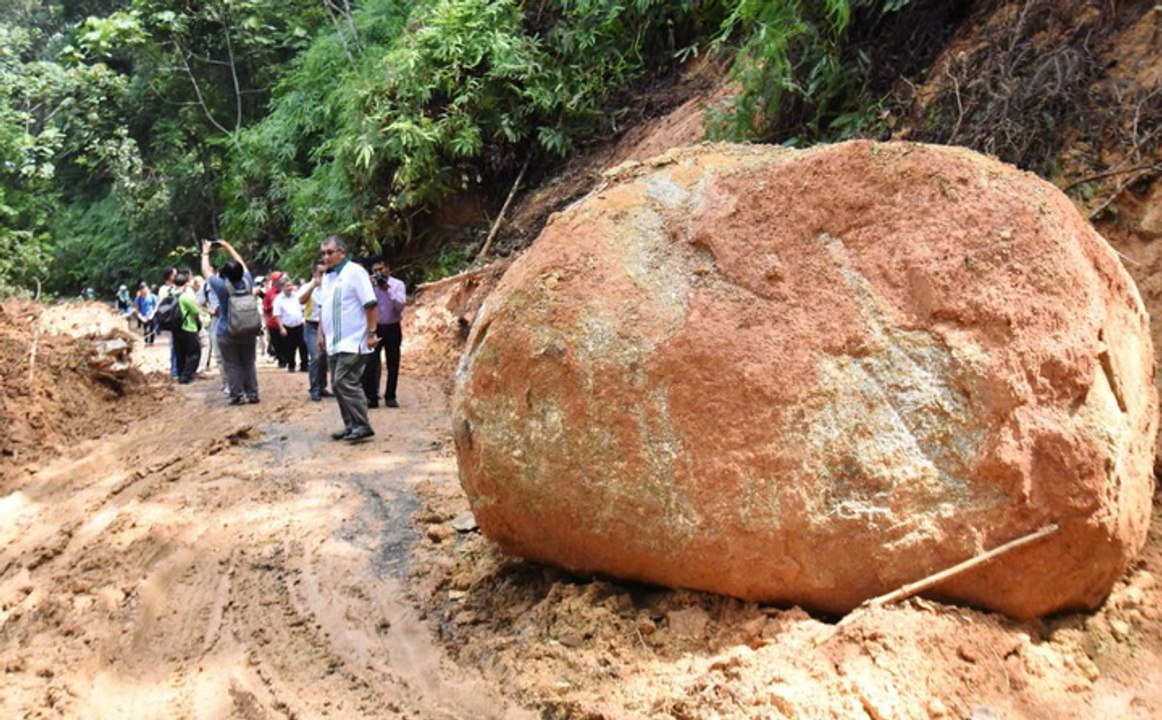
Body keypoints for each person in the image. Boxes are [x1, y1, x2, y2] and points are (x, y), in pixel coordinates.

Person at [318, 235, 377, 442]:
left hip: (353, 339)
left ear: (341, 252)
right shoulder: (328, 277)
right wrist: (321, 333)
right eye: (323, 253)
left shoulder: (355, 272)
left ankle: (362, 424)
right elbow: (324, 307)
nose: (326, 257)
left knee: (344, 380)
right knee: (336, 384)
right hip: (334, 341)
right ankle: (351, 425)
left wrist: (371, 333)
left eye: (329, 252)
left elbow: (370, 304)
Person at [202, 239, 260, 405]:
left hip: (227, 331)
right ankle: (253, 394)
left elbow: (205, 270)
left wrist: (206, 251)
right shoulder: (248, 281)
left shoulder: (221, 287)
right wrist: (228, 246)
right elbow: (241, 263)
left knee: (231, 364)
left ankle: (237, 395)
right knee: (249, 363)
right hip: (248, 329)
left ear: (225, 274)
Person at [361, 257, 406, 408]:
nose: (379, 273)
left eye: (381, 269)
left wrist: (387, 289)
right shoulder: (369, 286)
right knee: (371, 363)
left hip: (393, 327)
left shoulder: (397, 284)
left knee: (393, 363)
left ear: (388, 268)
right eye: (375, 271)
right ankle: (372, 397)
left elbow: (400, 306)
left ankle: (390, 396)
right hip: (375, 327)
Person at [298, 261, 333, 402]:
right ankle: (314, 388)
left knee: (324, 358)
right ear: (314, 273)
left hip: (327, 325)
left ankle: (322, 386)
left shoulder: (330, 287)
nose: (323, 276)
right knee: (316, 357)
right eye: (321, 273)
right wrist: (313, 286)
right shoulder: (307, 287)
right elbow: (301, 300)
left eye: (326, 272)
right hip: (312, 326)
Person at [172, 271, 203, 384]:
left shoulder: (171, 294)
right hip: (188, 327)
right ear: (185, 284)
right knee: (194, 353)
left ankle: (181, 374)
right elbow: (195, 311)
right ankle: (186, 376)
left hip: (176, 328)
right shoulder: (185, 297)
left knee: (180, 352)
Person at [273, 278, 308, 372]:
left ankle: (304, 365)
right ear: (282, 287)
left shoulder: (296, 296)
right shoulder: (278, 300)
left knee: (303, 345)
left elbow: (302, 308)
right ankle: (291, 365)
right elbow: (277, 315)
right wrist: (281, 327)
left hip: (299, 325)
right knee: (290, 347)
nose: (290, 288)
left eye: (290, 285)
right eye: (287, 286)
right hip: (288, 326)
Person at [263, 271, 285, 365]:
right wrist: (266, 322)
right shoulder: (269, 293)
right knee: (276, 343)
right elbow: (265, 309)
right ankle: (281, 360)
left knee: (287, 342)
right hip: (273, 322)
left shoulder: (287, 290)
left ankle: (287, 358)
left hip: (286, 321)